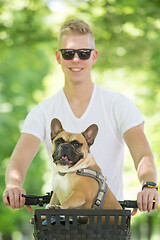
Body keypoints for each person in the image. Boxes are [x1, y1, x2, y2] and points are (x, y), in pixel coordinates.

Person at [3, 19, 159, 215]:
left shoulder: (118, 105)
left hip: (108, 222)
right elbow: (18, 161)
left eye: (83, 53)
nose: (76, 59)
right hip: (60, 223)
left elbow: (143, 155)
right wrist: (13, 185)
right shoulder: (42, 111)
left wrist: (149, 186)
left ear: (94, 57)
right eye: (68, 53)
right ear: (58, 57)